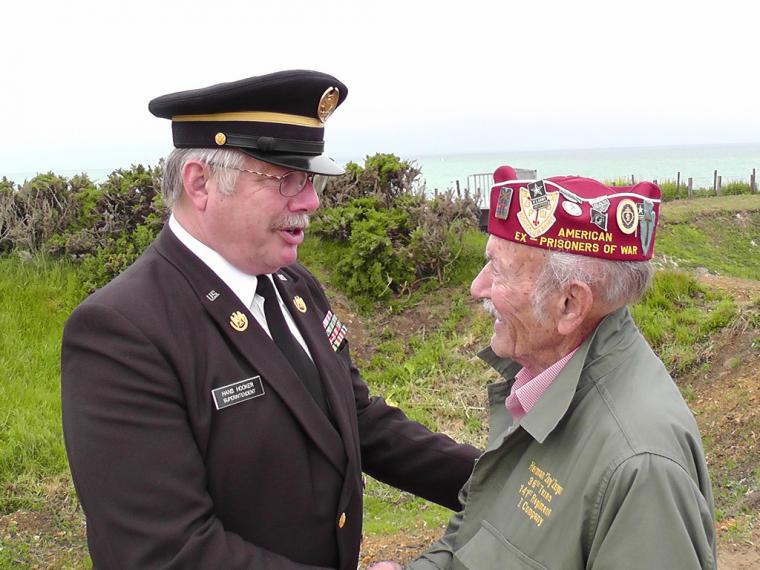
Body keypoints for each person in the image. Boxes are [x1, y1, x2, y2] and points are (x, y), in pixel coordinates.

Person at [60, 70, 480, 569]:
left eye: (309, 179)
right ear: (201, 184)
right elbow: (166, 551)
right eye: (285, 179)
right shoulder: (122, 332)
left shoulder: (292, 286)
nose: (311, 201)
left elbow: (355, 418)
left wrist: (498, 481)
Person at [371, 166, 716, 569]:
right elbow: (480, 537)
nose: (477, 287)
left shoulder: (641, 465)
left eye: (497, 270)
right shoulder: (544, 385)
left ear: (570, 305)